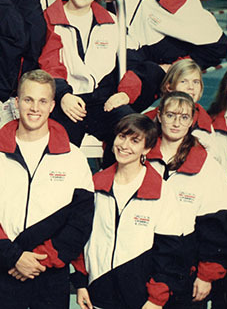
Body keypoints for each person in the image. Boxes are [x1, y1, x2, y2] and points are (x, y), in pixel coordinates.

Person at [0, 69, 94, 309]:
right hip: (2, 269)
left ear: (52, 105)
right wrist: (13, 258)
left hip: (49, 273)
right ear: (16, 103)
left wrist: (39, 261)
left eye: (42, 101)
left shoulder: (74, 158)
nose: (35, 108)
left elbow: (80, 221)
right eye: (28, 99)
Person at [72, 114, 186, 309]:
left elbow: (169, 252)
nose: (124, 145)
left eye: (135, 141)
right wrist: (81, 284)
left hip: (141, 299)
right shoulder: (95, 184)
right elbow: (80, 237)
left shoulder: (161, 191)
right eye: (122, 137)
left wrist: (156, 299)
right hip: (97, 291)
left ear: (147, 149)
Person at [104, 0, 227, 107]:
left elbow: (218, 46)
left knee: (124, 115)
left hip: (145, 74)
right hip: (114, 56)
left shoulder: (181, 1)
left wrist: (174, 67)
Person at [146, 92, 227, 309]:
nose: (176, 123)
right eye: (170, 115)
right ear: (159, 116)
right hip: (144, 264)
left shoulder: (206, 168)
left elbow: (220, 226)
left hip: (184, 272)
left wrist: (207, 275)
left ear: (192, 121)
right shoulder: (141, 157)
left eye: (184, 117)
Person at [38, 0, 137, 148]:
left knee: (132, 131)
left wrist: (125, 92)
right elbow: (49, 63)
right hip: (66, 99)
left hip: (101, 102)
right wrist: (63, 96)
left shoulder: (112, 21)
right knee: (62, 147)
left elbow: (132, 60)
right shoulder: (50, 19)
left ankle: (111, 178)